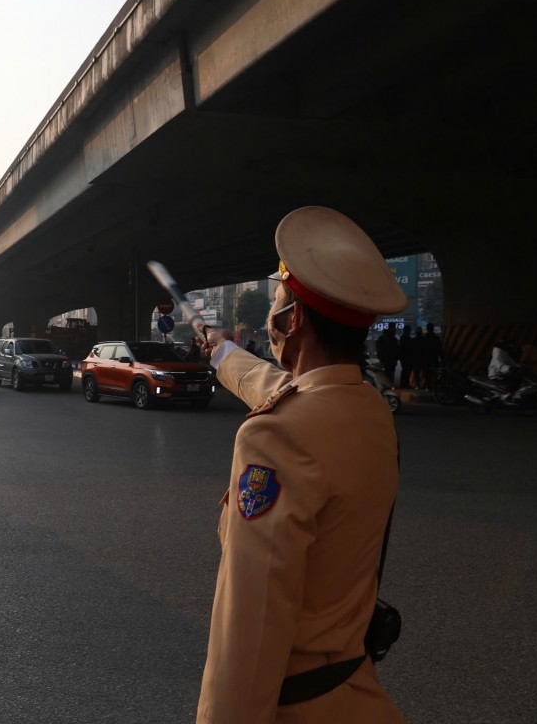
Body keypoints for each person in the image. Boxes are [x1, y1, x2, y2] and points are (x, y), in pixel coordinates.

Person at [196, 206, 406, 723]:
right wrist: (224, 354)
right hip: (357, 696)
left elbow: (251, 623)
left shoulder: (276, 438)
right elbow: (284, 389)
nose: (272, 318)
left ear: (295, 320)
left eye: (277, 305)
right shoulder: (369, 409)